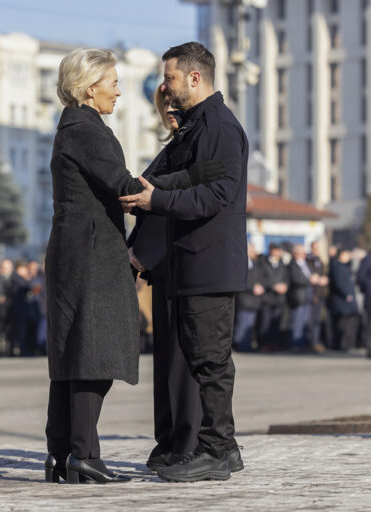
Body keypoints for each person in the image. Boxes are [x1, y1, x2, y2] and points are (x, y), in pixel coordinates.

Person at [44, 47, 213, 484]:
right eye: (113, 83)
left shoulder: (74, 128)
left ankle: (61, 454)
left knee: (73, 353)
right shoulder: (87, 130)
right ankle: (82, 453)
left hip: (78, 252)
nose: (119, 92)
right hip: (92, 256)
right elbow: (124, 188)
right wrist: (191, 174)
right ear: (89, 87)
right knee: (91, 355)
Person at [120, 41, 249, 482]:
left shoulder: (219, 126)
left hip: (208, 264)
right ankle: (224, 447)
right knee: (202, 358)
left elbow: (218, 193)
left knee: (210, 362)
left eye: (171, 78)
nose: (165, 87)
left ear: (195, 78)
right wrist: (145, 195)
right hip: (194, 263)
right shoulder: (199, 126)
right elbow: (188, 178)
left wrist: (156, 199)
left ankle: (213, 450)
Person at [127, 86, 204, 471]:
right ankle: (169, 441)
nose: (170, 111)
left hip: (180, 262)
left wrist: (139, 255)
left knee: (183, 362)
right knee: (166, 362)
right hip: (165, 268)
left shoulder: (189, 148)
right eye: (165, 106)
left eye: (176, 104)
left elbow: (168, 208)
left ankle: (184, 444)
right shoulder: (172, 147)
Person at [258, 243, 289, 351]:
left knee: (277, 323)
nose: (279, 253)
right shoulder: (263, 263)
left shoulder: (282, 264)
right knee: (265, 322)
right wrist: (273, 286)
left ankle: (275, 343)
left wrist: (285, 285)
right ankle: (263, 344)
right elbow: (261, 278)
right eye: (277, 250)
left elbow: (286, 278)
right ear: (271, 251)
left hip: (279, 299)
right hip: (267, 297)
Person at [233, 243, 264, 352]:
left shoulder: (254, 263)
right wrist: (252, 287)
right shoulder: (241, 263)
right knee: (243, 322)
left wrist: (260, 285)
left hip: (254, 300)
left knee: (250, 323)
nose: (254, 252)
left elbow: (259, 277)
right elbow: (241, 279)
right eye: (252, 250)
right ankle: (239, 343)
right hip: (245, 298)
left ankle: (247, 344)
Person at [328, 248, 360, 352]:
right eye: (347, 254)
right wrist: (346, 294)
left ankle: (347, 344)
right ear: (341, 255)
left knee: (348, 324)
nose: (349, 257)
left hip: (347, 300)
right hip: (341, 300)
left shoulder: (344, 266)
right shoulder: (336, 266)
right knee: (341, 324)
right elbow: (338, 282)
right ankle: (341, 345)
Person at [287, 244, 313, 352]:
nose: (304, 254)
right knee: (297, 321)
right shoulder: (292, 265)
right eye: (301, 252)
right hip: (298, 296)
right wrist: (310, 280)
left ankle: (302, 343)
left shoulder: (306, 264)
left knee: (304, 321)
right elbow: (296, 279)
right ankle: (295, 344)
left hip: (307, 295)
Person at [306, 240, 328, 351]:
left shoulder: (320, 261)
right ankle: (310, 342)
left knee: (317, 321)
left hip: (320, 294)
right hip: (311, 294)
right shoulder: (308, 260)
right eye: (314, 248)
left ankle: (315, 341)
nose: (316, 250)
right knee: (310, 321)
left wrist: (324, 279)